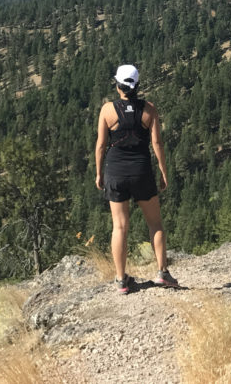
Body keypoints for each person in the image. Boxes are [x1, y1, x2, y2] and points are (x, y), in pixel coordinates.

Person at [95, 63, 178, 293]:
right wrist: (163, 171)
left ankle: (121, 280)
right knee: (155, 223)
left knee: (119, 227)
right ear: (137, 85)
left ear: (118, 85)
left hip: (115, 171)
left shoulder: (107, 110)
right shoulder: (149, 110)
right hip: (141, 171)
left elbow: (101, 145)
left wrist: (99, 172)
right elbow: (157, 143)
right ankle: (163, 273)